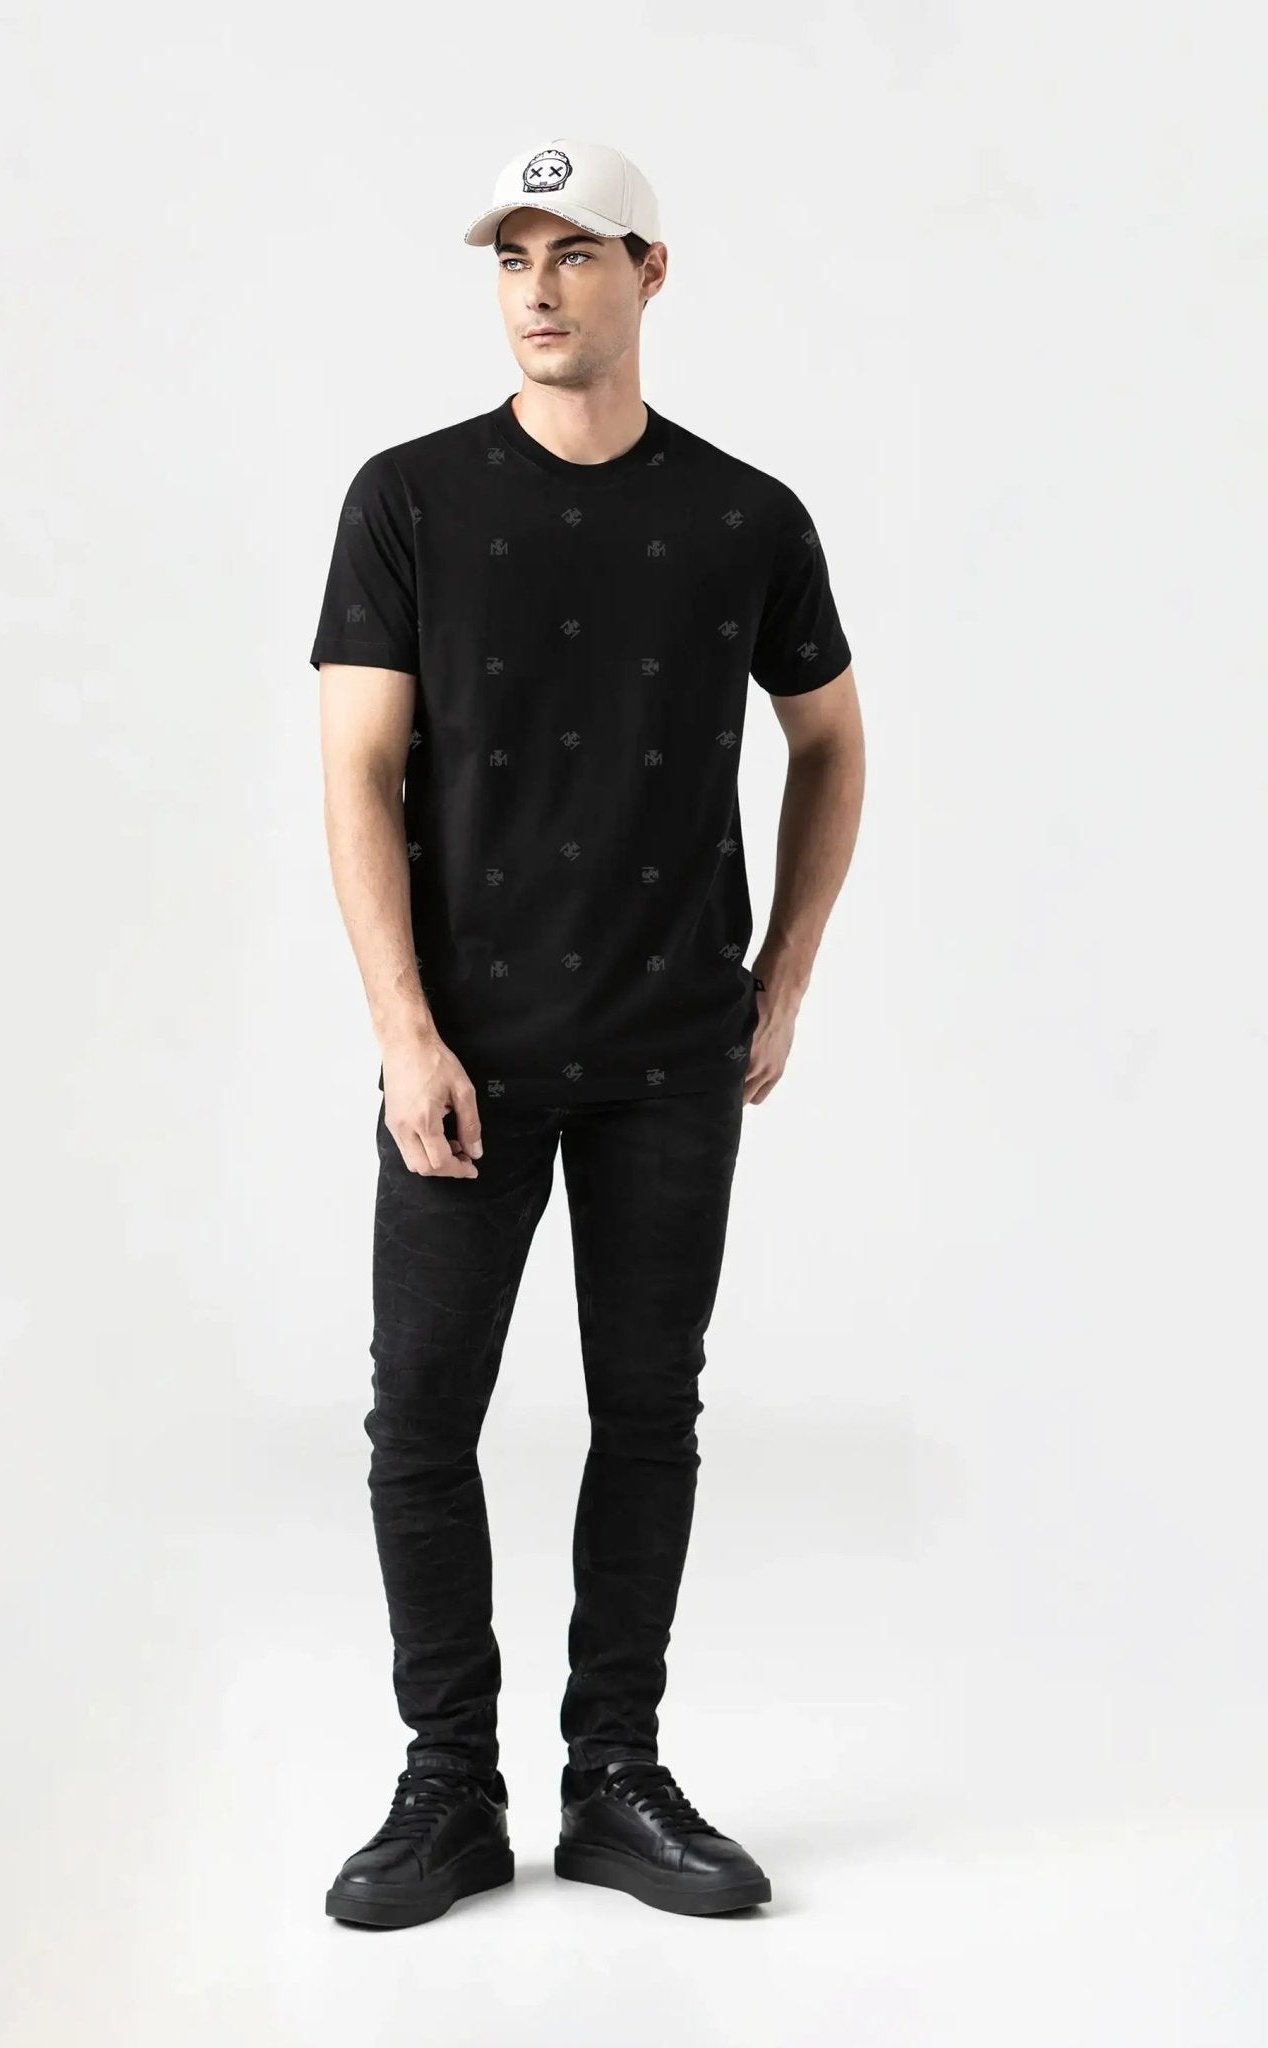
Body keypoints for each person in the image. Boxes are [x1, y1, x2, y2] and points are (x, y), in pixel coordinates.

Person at [308, 136, 865, 1927]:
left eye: (575, 253)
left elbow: (832, 739)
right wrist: (404, 1031)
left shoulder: (744, 516)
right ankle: (448, 1790)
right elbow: (357, 769)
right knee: (420, 1423)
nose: (538, 288)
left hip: (670, 1053)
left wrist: (784, 976)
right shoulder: (408, 499)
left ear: (651, 273)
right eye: (511, 257)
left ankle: (616, 1778)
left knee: (649, 1415)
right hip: (464, 1055)